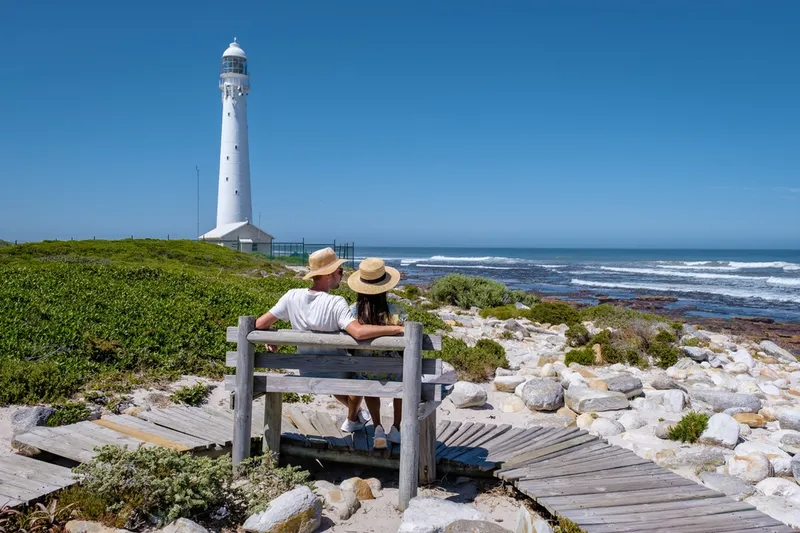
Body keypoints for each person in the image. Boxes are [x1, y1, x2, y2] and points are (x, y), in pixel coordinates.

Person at [254, 248, 403, 433]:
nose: (342, 275)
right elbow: (358, 333)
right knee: (359, 373)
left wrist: (270, 335)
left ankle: (355, 418)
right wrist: (396, 328)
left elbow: (259, 323)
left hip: (306, 371)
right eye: (340, 272)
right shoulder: (336, 302)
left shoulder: (291, 296)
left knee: (359, 372)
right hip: (338, 373)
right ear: (328, 275)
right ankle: (355, 417)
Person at [347, 257, 405, 450]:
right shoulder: (397, 312)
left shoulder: (351, 312)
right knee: (405, 376)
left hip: (365, 371)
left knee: (366, 378)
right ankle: (396, 428)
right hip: (394, 372)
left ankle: (378, 427)